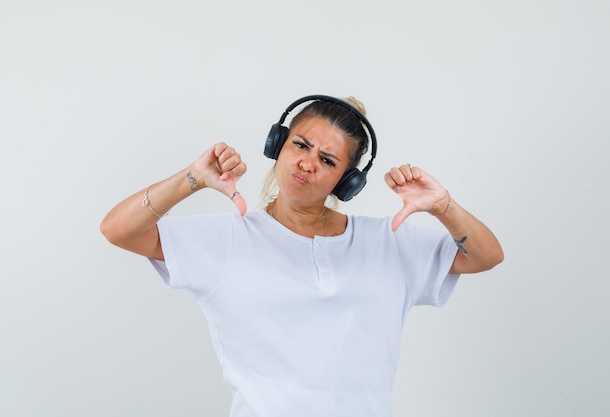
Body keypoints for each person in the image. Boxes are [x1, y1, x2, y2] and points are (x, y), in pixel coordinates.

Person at [100, 95, 503, 417]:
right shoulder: (228, 239)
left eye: (327, 160)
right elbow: (118, 229)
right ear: (278, 145)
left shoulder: (388, 242)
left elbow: (485, 256)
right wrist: (193, 179)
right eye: (300, 144)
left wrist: (442, 206)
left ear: (347, 181)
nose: (307, 163)